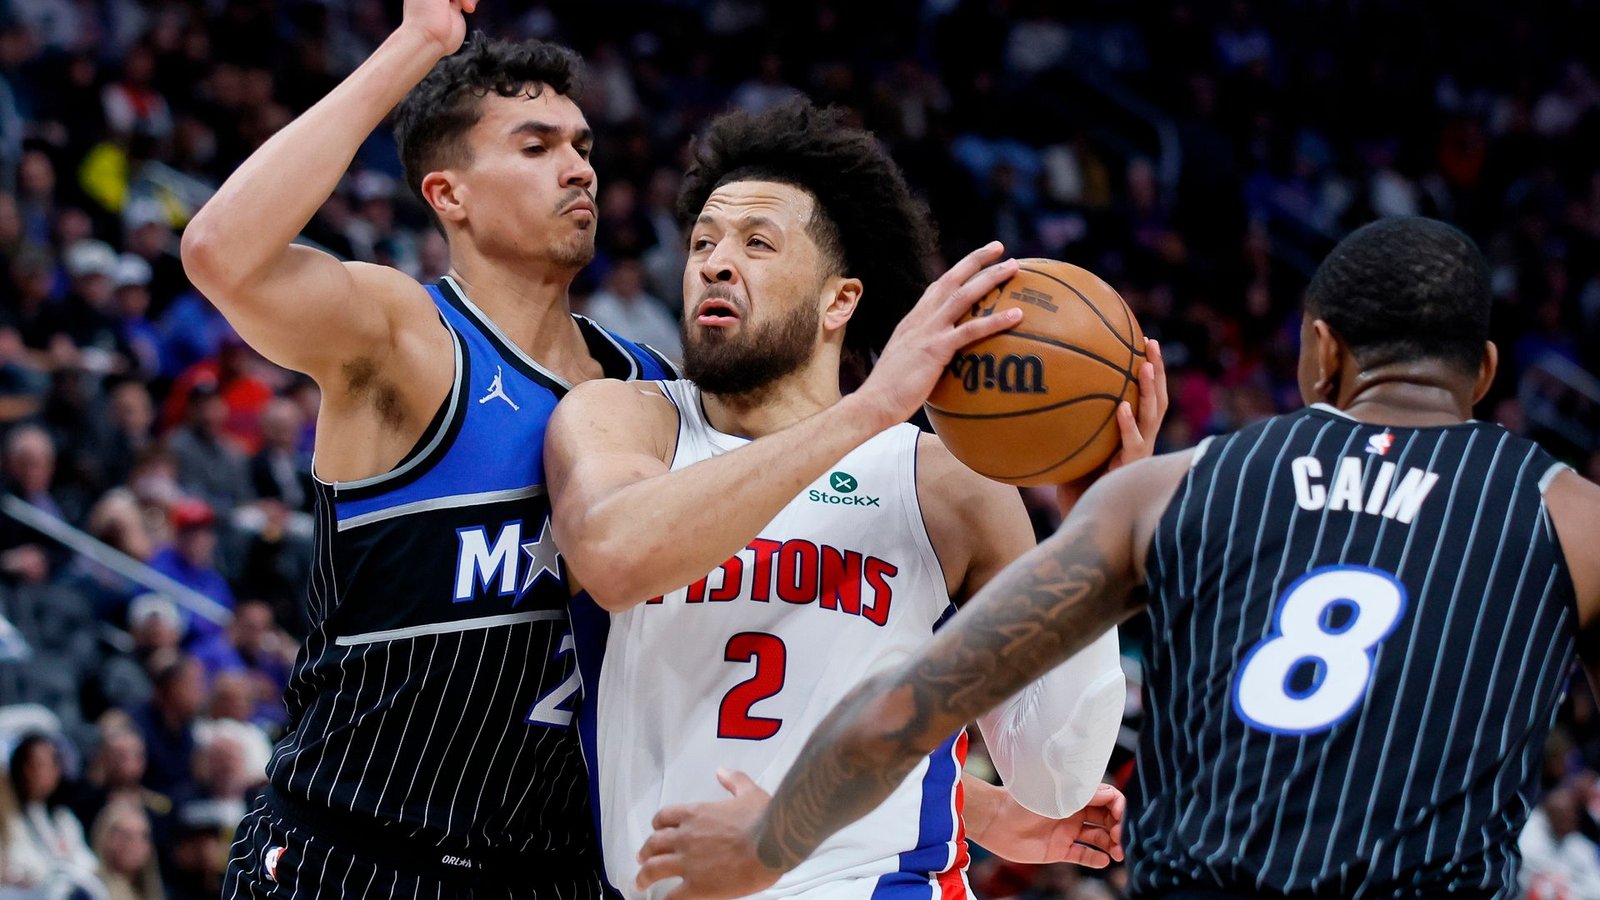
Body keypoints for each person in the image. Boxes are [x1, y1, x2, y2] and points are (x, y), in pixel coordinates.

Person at [636, 216, 1600, 900]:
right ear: (1484, 371)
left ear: (1320, 353)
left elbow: (910, 705)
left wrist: (767, 842)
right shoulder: (1570, 517)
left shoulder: (1170, 491)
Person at [546, 100, 1164, 897]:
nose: (715, 264)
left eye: (757, 243)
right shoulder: (626, 419)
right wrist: (869, 409)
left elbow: (1054, 781)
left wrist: (1095, 533)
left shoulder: (945, 483)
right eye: (703, 241)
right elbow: (615, 559)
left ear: (839, 301)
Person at [178, 0, 675, 896]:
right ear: (448, 194)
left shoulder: (653, 383)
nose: (578, 169)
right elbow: (221, 252)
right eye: (536, 147)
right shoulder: (410, 339)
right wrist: (419, 43)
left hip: (556, 874)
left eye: (582, 146)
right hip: (354, 857)